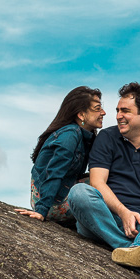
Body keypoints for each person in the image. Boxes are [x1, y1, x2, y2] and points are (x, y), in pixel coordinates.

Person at [67, 82, 140, 279]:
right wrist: (123, 212)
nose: (118, 115)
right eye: (118, 110)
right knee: (79, 193)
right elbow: (97, 182)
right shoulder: (107, 138)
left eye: (125, 111)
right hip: (102, 218)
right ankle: (132, 252)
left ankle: (137, 251)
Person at [15, 86, 106, 224]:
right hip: (52, 203)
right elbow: (54, 172)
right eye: (97, 108)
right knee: (107, 186)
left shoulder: (87, 138)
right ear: (81, 115)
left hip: (62, 193)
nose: (103, 113)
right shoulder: (69, 136)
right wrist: (41, 210)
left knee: (108, 179)